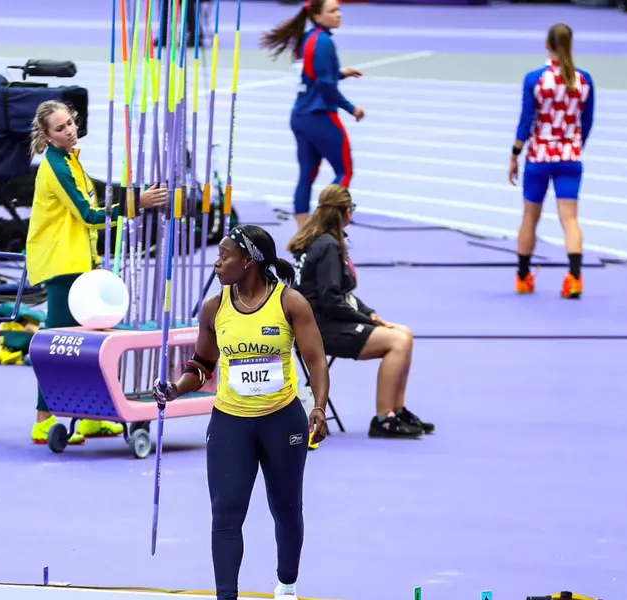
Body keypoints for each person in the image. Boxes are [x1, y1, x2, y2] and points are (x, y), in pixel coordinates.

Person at [154, 224, 330, 600]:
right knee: (226, 513)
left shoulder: (290, 303)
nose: (216, 263)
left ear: (248, 262)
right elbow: (201, 365)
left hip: (282, 420)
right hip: (231, 422)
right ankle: (226, 596)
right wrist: (175, 389)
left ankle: (286, 586)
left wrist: (318, 407)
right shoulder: (214, 308)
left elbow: (316, 362)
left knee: (285, 509)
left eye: (224, 255)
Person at [25, 100, 169, 445]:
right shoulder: (56, 166)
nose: (70, 130)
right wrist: (137, 204)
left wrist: (93, 260)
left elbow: (86, 217)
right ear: (46, 135)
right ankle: (43, 421)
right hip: (61, 266)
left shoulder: (72, 161)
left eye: (70, 123)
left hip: (80, 263)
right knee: (58, 344)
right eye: (60, 128)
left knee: (90, 342)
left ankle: (89, 414)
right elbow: (89, 214)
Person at [287, 185, 434, 439]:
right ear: (345, 212)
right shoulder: (328, 246)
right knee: (397, 342)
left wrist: (371, 314)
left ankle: (398, 411)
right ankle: (383, 418)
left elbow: (341, 294)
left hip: (319, 323)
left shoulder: (315, 240)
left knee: (404, 333)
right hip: (320, 330)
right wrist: (367, 320)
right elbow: (331, 300)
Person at [508, 23, 594, 299]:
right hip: (570, 157)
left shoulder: (535, 79)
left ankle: (523, 277)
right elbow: (587, 122)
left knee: (530, 217)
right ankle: (575, 277)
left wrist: (515, 154)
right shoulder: (583, 80)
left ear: (547, 45)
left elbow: (526, 121)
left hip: (540, 158)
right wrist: (573, 145)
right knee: (570, 219)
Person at [260, 0, 363, 230]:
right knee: (344, 171)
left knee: (306, 174)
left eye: (339, 9)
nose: (339, 14)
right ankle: (325, 225)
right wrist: (351, 108)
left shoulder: (309, 38)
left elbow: (314, 75)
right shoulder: (325, 42)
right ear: (317, 16)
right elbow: (326, 85)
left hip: (300, 116)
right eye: (333, 11)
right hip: (321, 116)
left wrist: (341, 73)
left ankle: (302, 230)